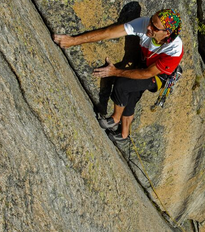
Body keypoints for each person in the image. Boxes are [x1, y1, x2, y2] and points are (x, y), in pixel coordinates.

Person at [53, 9, 183, 142]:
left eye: (154, 27)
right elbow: (109, 33)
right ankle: (124, 134)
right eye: (151, 20)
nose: (149, 26)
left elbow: (147, 73)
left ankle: (115, 119)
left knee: (123, 84)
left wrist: (114, 72)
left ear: (167, 33)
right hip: (144, 65)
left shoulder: (174, 49)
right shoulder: (145, 24)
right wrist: (73, 41)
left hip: (157, 76)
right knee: (132, 97)